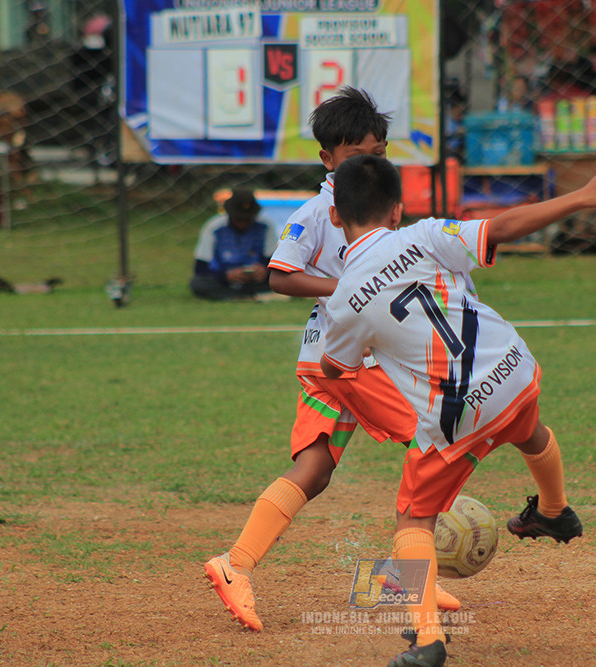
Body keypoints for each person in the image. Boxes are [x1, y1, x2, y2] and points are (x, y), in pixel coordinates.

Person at [319, 155, 596, 667]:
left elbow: (334, 368)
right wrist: (582, 195)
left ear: (335, 217)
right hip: (511, 368)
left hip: (458, 410)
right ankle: (555, 512)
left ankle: (427, 640)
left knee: (413, 520)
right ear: (397, 210)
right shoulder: (424, 233)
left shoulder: (345, 298)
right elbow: (502, 227)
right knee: (529, 430)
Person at [203, 87, 461, 632]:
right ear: (327, 160)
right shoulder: (320, 211)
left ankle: (235, 564)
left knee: (315, 469)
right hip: (344, 360)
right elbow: (279, 274)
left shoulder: (376, 202)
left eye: (379, 152)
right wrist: (346, 285)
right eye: (356, 155)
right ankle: (405, 574)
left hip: (345, 357)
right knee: (435, 438)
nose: (370, 163)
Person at [189, 188, 276, 301]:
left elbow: (275, 261)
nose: (242, 224)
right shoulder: (214, 227)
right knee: (198, 283)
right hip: (224, 280)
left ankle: (243, 295)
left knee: (281, 280)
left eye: (247, 220)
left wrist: (263, 270)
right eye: (238, 219)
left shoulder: (265, 226)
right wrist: (226, 276)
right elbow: (200, 267)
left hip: (255, 281)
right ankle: (240, 296)